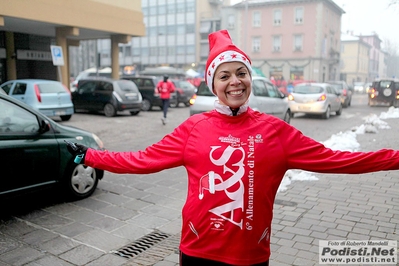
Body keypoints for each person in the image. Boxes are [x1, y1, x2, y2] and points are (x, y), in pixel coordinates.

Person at [66, 30, 399, 266]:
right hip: (197, 250)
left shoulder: (276, 132)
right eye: (224, 76)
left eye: (241, 73)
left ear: (250, 78)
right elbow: (143, 159)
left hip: (251, 255)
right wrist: (92, 155)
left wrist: (394, 159)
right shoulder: (193, 128)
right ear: (214, 85)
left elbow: (339, 159)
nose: (234, 81)